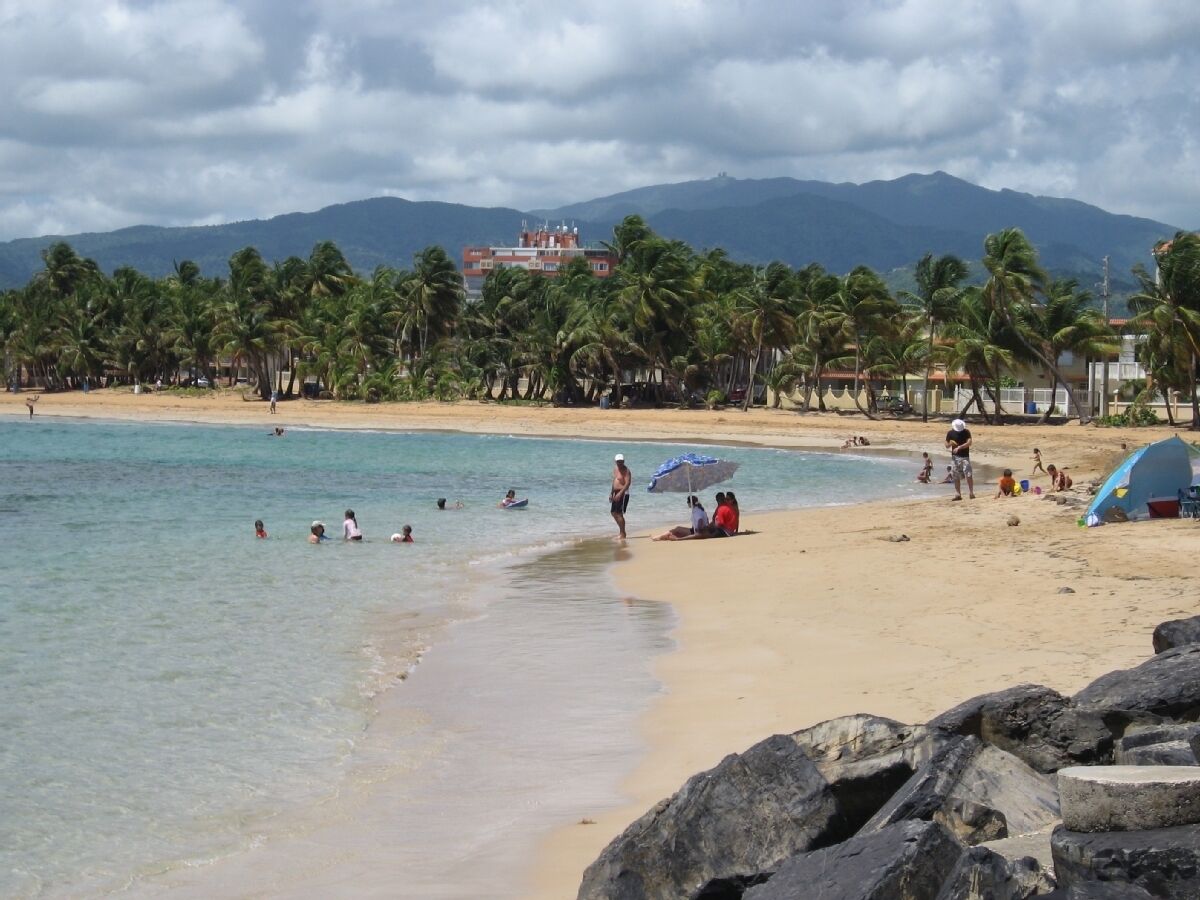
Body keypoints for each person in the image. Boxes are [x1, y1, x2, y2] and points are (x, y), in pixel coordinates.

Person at [945, 418, 975, 500]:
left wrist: (959, 447)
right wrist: (950, 443)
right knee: (956, 476)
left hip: (965, 457)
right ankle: (958, 494)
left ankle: (971, 493)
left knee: (968, 475)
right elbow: (946, 444)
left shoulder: (966, 432)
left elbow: (969, 442)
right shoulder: (950, 433)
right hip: (955, 457)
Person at [610, 453, 631, 539]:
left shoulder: (626, 470)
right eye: (618, 462)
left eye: (621, 461)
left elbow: (628, 483)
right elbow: (614, 480)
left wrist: (620, 493)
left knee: (619, 513)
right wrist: (611, 493)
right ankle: (621, 532)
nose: (620, 463)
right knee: (613, 512)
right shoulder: (615, 469)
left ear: (623, 461)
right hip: (616, 492)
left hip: (623, 493)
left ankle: (623, 533)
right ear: (615, 461)